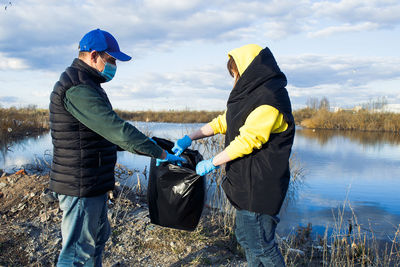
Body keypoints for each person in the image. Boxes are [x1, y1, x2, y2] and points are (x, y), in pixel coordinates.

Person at [49, 28, 185, 266]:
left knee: (97, 239)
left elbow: (100, 135)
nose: (114, 66)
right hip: (80, 184)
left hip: (92, 181)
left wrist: (150, 143)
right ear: (93, 56)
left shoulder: (89, 84)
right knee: (76, 255)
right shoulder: (78, 88)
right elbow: (117, 130)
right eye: (111, 60)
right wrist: (159, 153)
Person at [173, 44, 295, 266]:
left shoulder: (270, 100)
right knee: (247, 240)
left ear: (249, 69)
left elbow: (248, 141)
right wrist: (190, 137)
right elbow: (224, 121)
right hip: (245, 185)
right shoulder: (250, 97)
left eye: (235, 73)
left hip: (259, 188)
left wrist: (213, 162)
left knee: (262, 246)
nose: (234, 79)